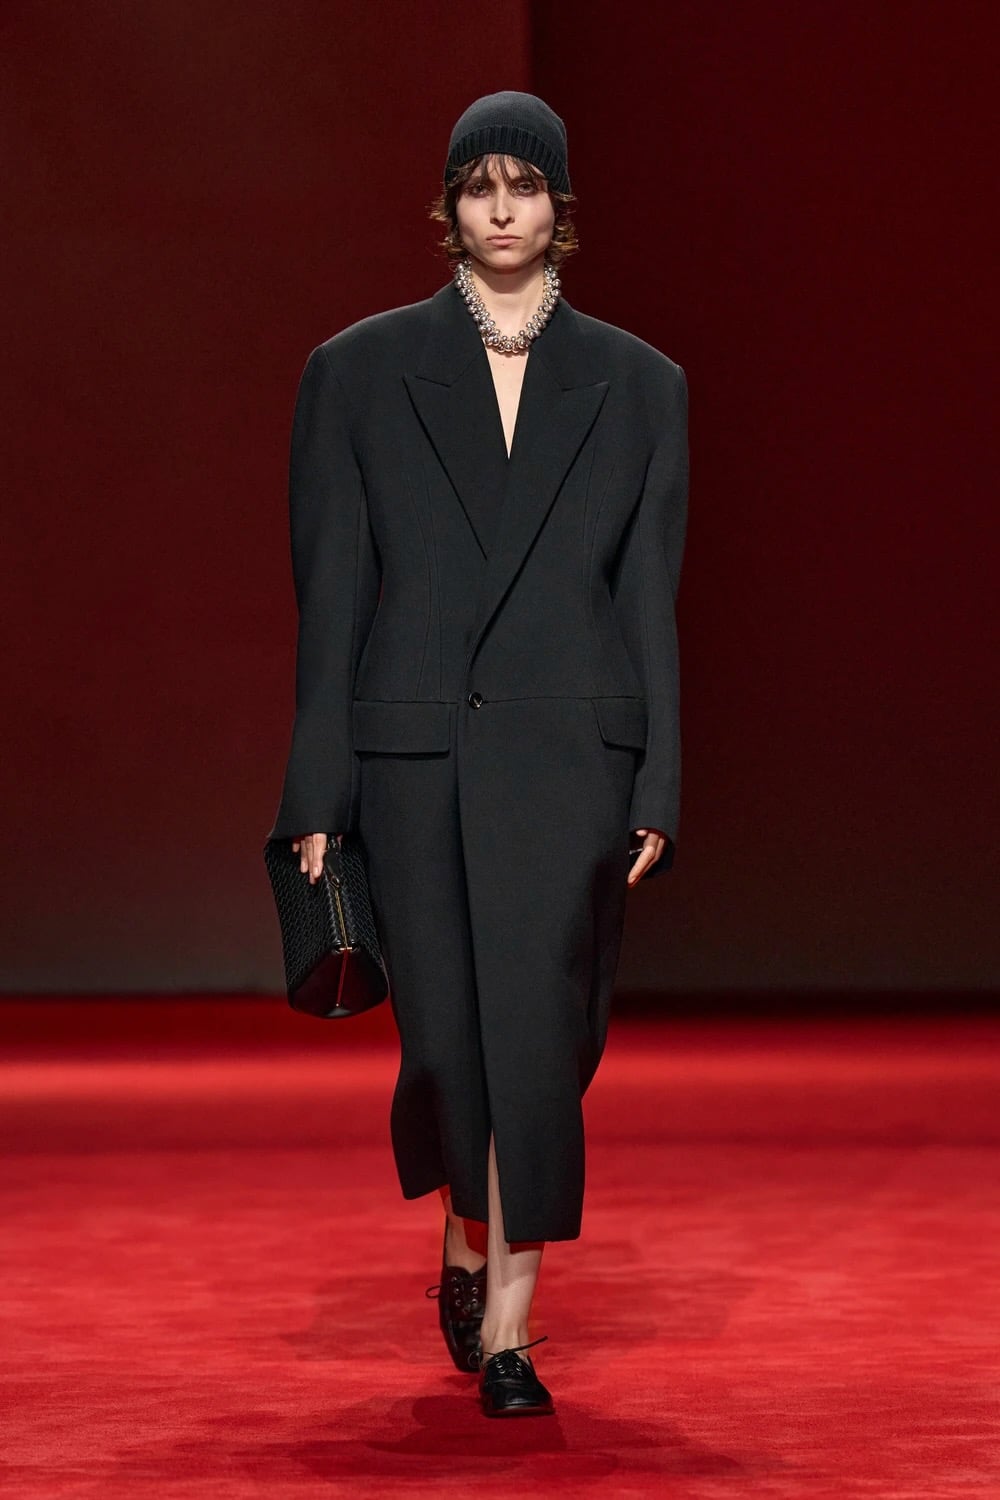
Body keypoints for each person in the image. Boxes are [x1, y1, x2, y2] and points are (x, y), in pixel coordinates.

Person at [266, 90, 689, 1417]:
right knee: (449, 1046)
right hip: (416, 760)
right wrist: (316, 791)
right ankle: (465, 1235)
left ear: (562, 205)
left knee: (543, 1043)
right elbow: (334, 598)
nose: (503, 210)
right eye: (479, 185)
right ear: (450, 206)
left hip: (570, 763)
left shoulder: (640, 384)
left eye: (526, 184)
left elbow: (647, 597)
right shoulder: (358, 372)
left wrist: (659, 778)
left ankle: (510, 1331)